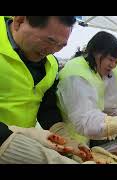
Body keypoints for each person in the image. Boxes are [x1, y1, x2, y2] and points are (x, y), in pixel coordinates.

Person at [0, 16, 85, 164]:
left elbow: (46, 108)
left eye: (61, 45)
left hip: (23, 150)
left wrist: (65, 139)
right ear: (19, 21)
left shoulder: (51, 64)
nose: (51, 51)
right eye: (50, 41)